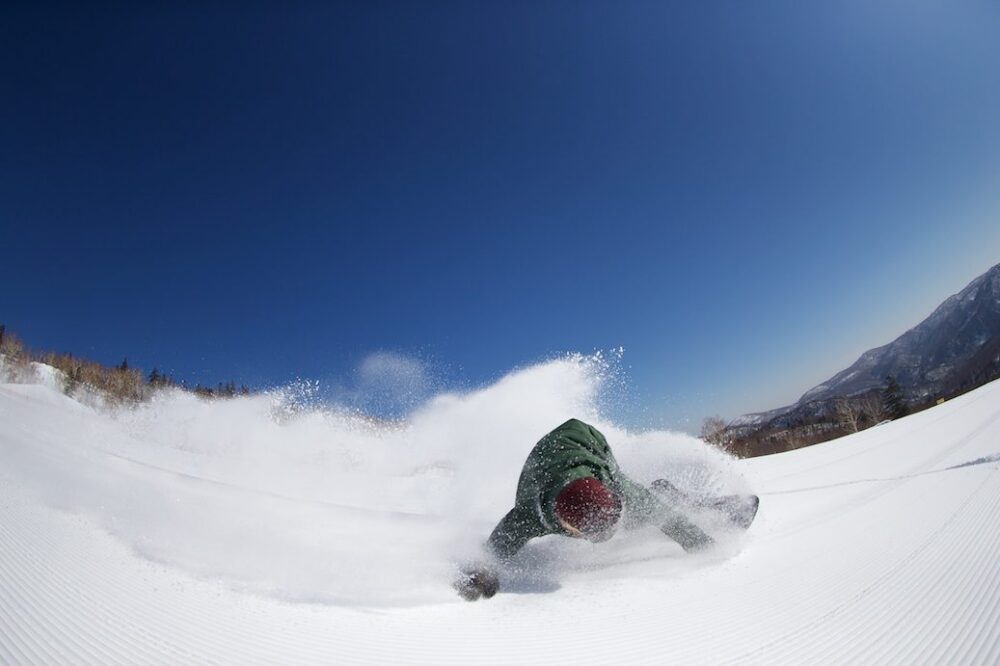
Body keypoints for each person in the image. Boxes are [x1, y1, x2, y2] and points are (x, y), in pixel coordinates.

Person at [456, 418, 722, 601]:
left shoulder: (616, 487)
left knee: (642, 511)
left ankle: (663, 490)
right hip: (544, 460)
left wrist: (701, 543)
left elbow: (662, 515)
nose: (606, 536)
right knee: (634, 516)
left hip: (588, 441)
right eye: (593, 534)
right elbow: (497, 546)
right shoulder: (530, 515)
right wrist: (480, 574)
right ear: (568, 525)